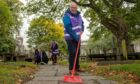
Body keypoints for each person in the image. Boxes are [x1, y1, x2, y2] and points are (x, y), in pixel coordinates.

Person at [63, 2, 85, 74]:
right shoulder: (66, 16)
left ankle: (77, 67)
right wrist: (76, 37)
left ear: (76, 8)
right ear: (70, 8)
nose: (73, 9)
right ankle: (71, 69)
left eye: (75, 7)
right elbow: (68, 27)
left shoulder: (79, 16)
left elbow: (82, 24)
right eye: (72, 7)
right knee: (73, 52)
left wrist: (82, 30)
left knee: (78, 53)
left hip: (78, 37)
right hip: (70, 38)